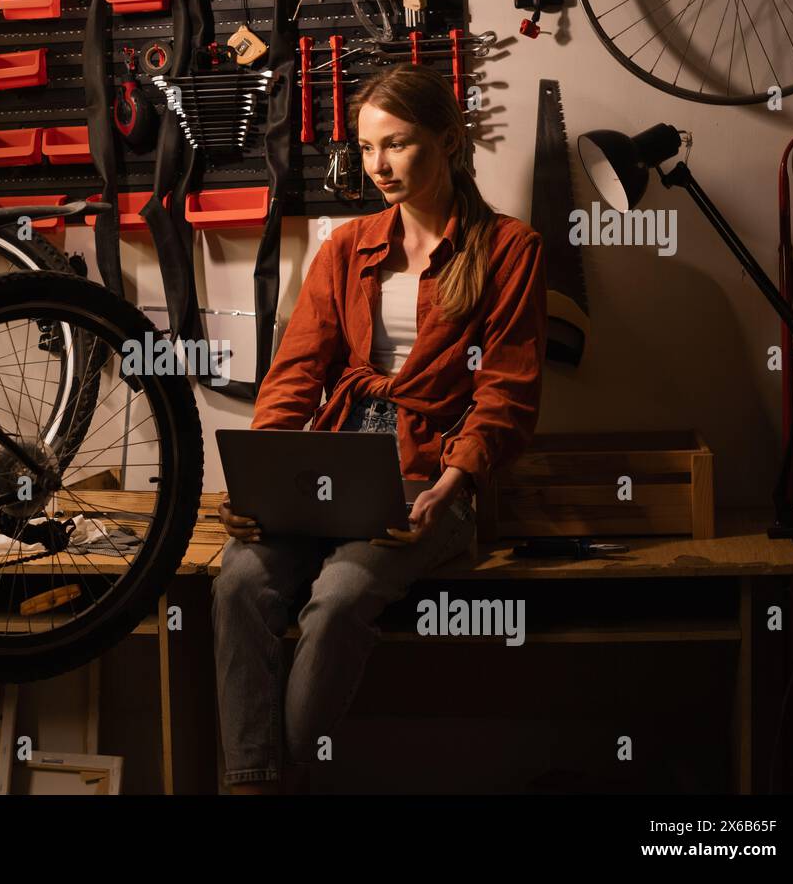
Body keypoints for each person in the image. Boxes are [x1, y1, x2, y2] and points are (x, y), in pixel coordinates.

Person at [211, 64, 548, 794]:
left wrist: (448, 489)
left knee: (337, 601)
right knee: (237, 582)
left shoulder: (509, 248)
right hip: (333, 460)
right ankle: (252, 782)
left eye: (398, 145)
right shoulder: (345, 247)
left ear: (450, 142)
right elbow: (296, 374)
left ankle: (277, 782)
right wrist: (261, 476)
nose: (379, 167)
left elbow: (506, 394)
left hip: (430, 470)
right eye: (367, 149)